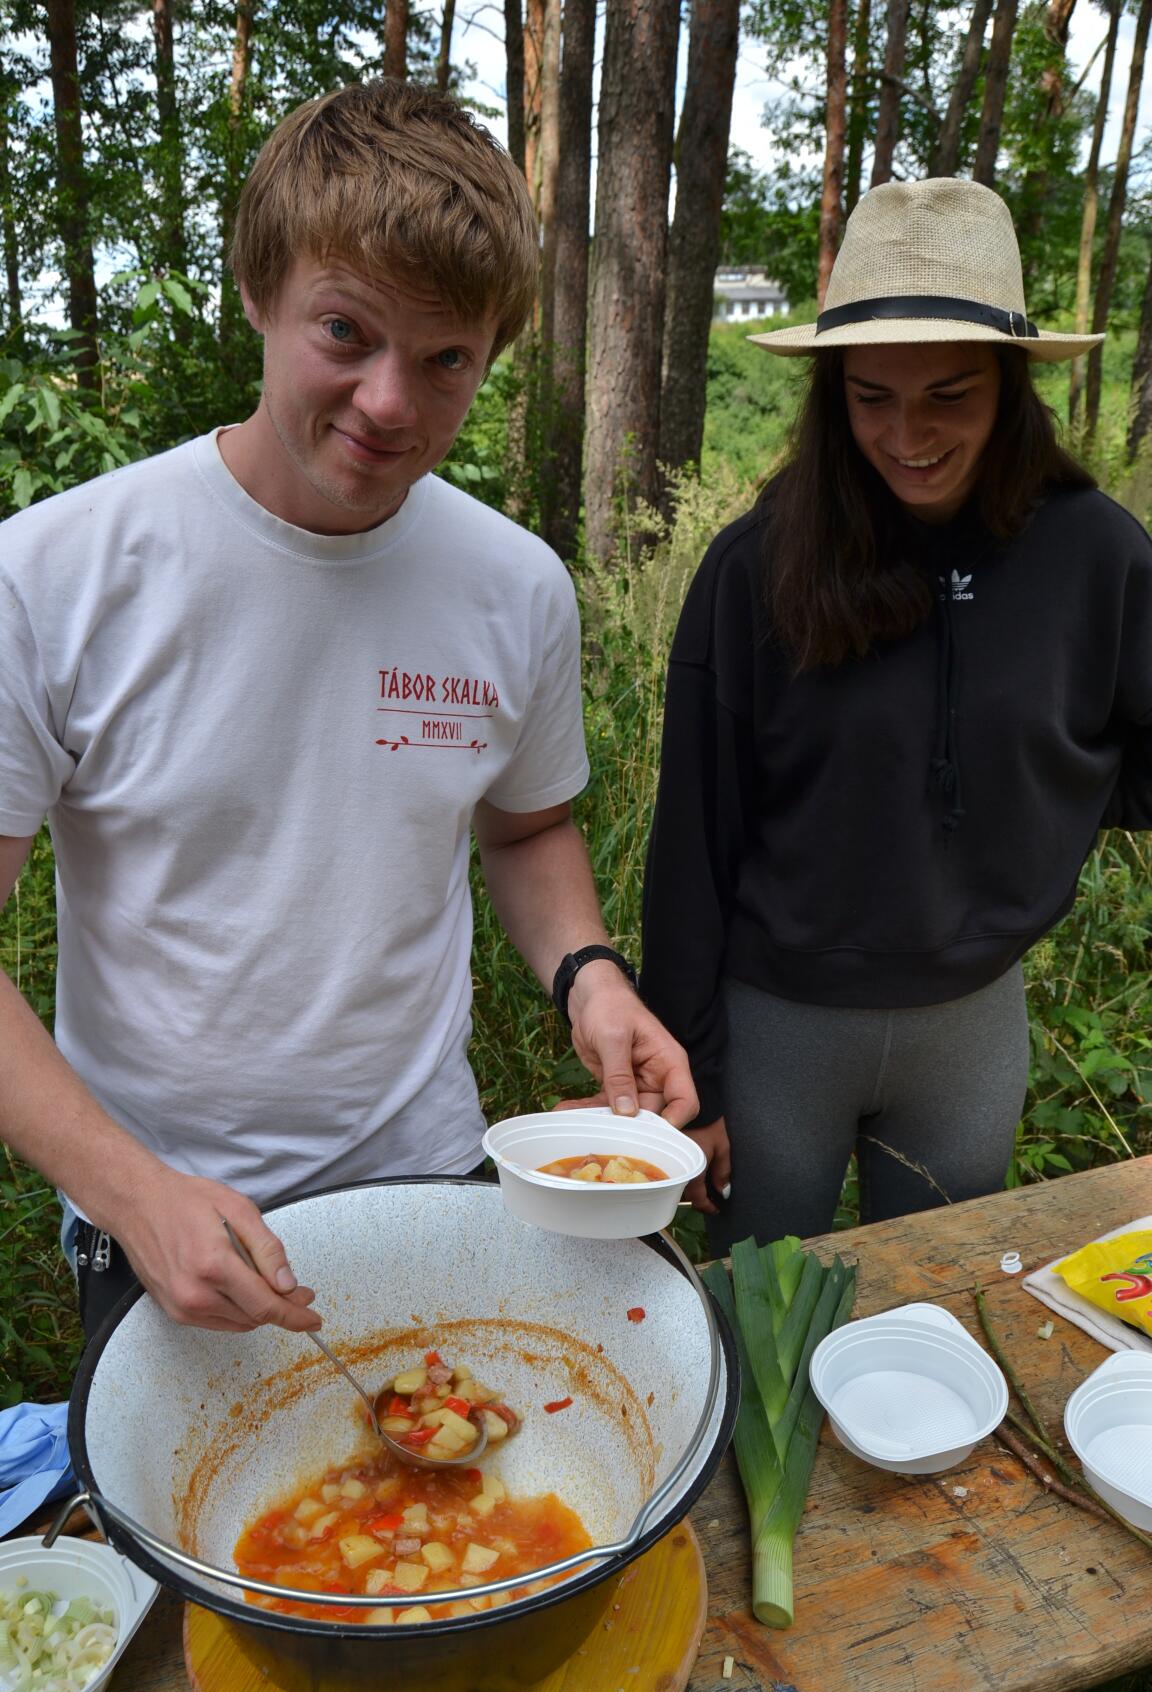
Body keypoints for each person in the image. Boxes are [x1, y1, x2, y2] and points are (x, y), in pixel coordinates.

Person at [0, 78, 696, 1341]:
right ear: (259, 291)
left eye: (445, 361)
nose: (390, 403)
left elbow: (527, 829)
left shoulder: (515, 588)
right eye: (345, 333)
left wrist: (592, 977)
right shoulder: (53, 575)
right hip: (164, 1218)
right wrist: (130, 1191)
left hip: (430, 1178)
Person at [640, 176, 1152, 1256]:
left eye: (949, 395)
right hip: (776, 1028)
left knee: (932, 1329)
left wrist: (1048, 799)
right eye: (871, 396)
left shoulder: (1098, 555)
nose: (906, 435)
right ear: (833, 393)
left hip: (971, 1034)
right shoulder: (755, 569)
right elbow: (693, 841)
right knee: (749, 1332)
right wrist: (693, 1073)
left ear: (1013, 385)